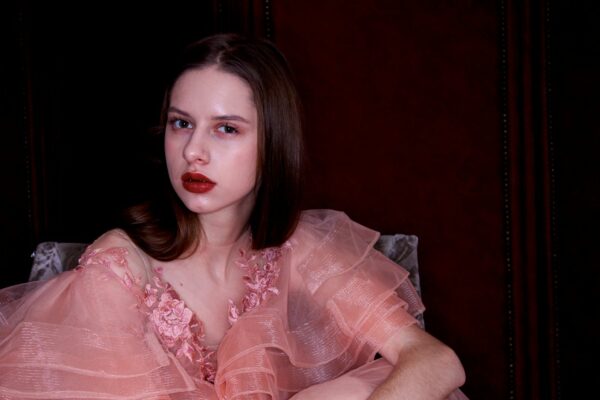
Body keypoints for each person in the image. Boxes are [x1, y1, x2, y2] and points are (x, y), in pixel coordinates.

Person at [0, 33, 467, 399]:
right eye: (182, 123)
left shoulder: (300, 246)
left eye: (226, 128)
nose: (194, 151)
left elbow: (437, 362)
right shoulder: (120, 267)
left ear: (273, 143)